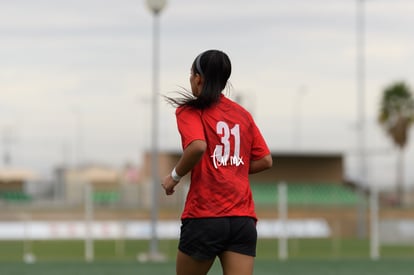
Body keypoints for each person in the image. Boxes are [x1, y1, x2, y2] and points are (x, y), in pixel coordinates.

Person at [162, 49, 272, 275]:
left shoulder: (190, 111)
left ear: (198, 78)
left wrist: (173, 177)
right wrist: (233, 168)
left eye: (191, 74)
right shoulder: (242, 114)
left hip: (205, 216)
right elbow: (265, 160)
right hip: (242, 220)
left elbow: (197, 146)